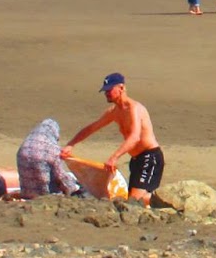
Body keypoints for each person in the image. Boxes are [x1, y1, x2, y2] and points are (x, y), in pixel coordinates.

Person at [61, 73, 164, 205]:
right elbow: (91, 128)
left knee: (135, 201)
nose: (107, 93)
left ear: (121, 88)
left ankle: (170, 202)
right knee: (132, 201)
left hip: (150, 157)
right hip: (136, 160)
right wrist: (70, 145)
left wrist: (114, 157)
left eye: (110, 90)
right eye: (105, 91)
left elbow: (135, 137)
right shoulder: (114, 112)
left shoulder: (134, 108)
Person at [15, 118, 82, 199]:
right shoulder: (51, 148)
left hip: (26, 194)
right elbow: (61, 176)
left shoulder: (24, 146)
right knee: (70, 177)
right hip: (47, 195)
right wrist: (73, 187)